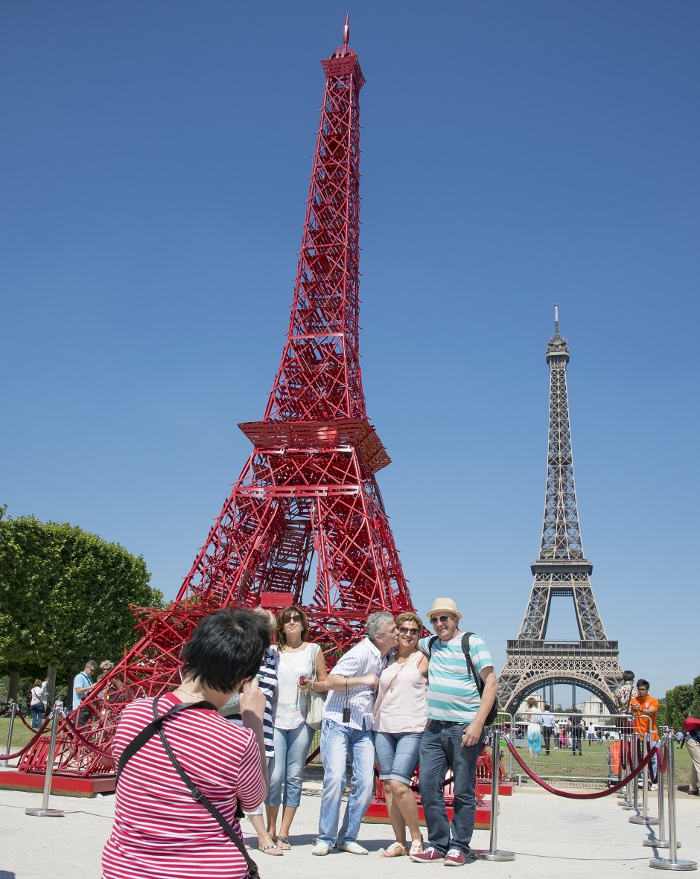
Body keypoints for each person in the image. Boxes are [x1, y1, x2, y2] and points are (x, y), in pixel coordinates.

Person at [102, 608, 269, 879]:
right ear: (242, 680)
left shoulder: (133, 715)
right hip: (208, 871)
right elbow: (254, 800)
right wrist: (254, 722)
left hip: (127, 869)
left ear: (189, 655)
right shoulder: (238, 740)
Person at [410, 598, 497, 867]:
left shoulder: (472, 642)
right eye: (435, 619)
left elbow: (491, 682)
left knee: (463, 789)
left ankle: (460, 845)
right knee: (427, 787)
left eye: (445, 618)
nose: (439, 624)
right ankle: (438, 843)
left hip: (464, 728)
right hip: (434, 727)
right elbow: (406, 638)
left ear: (456, 620)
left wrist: (477, 724)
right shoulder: (431, 644)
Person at [311, 611, 398, 857]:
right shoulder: (360, 653)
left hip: (363, 726)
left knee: (366, 783)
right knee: (336, 779)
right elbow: (330, 681)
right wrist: (362, 680)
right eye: (393, 630)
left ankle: (347, 837)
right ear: (379, 636)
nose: (397, 633)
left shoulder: (388, 656)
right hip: (338, 721)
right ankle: (325, 837)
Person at [266, 605, 328, 849]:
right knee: (274, 777)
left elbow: (325, 683)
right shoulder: (271, 651)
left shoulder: (313, 651)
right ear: (281, 626)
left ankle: (283, 832)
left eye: (297, 618)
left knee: (293, 776)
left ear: (303, 624)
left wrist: (311, 684)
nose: (292, 621)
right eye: (287, 619)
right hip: (275, 720)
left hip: (301, 721)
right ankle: (269, 829)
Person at [221, 608, 280, 856]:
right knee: (238, 780)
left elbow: (275, 692)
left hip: (264, 722)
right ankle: (261, 835)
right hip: (238, 719)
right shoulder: (240, 653)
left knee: (260, 780)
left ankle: (236, 831)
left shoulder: (274, 657)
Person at [372, 611, 429, 858]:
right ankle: (399, 841)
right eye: (403, 630)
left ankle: (416, 837)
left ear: (419, 635)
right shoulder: (386, 660)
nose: (407, 634)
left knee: (399, 783)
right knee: (388, 786)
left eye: (413, 631)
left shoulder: (424, 659)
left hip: (412, 728)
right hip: (383, 727)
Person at [677, 718, 700, 796]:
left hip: (695, 740)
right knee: (699, 763)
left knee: (696, 764)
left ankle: (693, 789)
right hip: (693, 741)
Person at [73, 660, 97, 726]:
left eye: (93, 671)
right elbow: (78, 691)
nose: (92, 672)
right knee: (79, 730)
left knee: (85, 731)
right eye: (91, 670)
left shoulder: (89, 678)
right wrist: (90, 687)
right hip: (80, 708)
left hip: (87, 707)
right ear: (86, 667)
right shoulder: (79, 677)